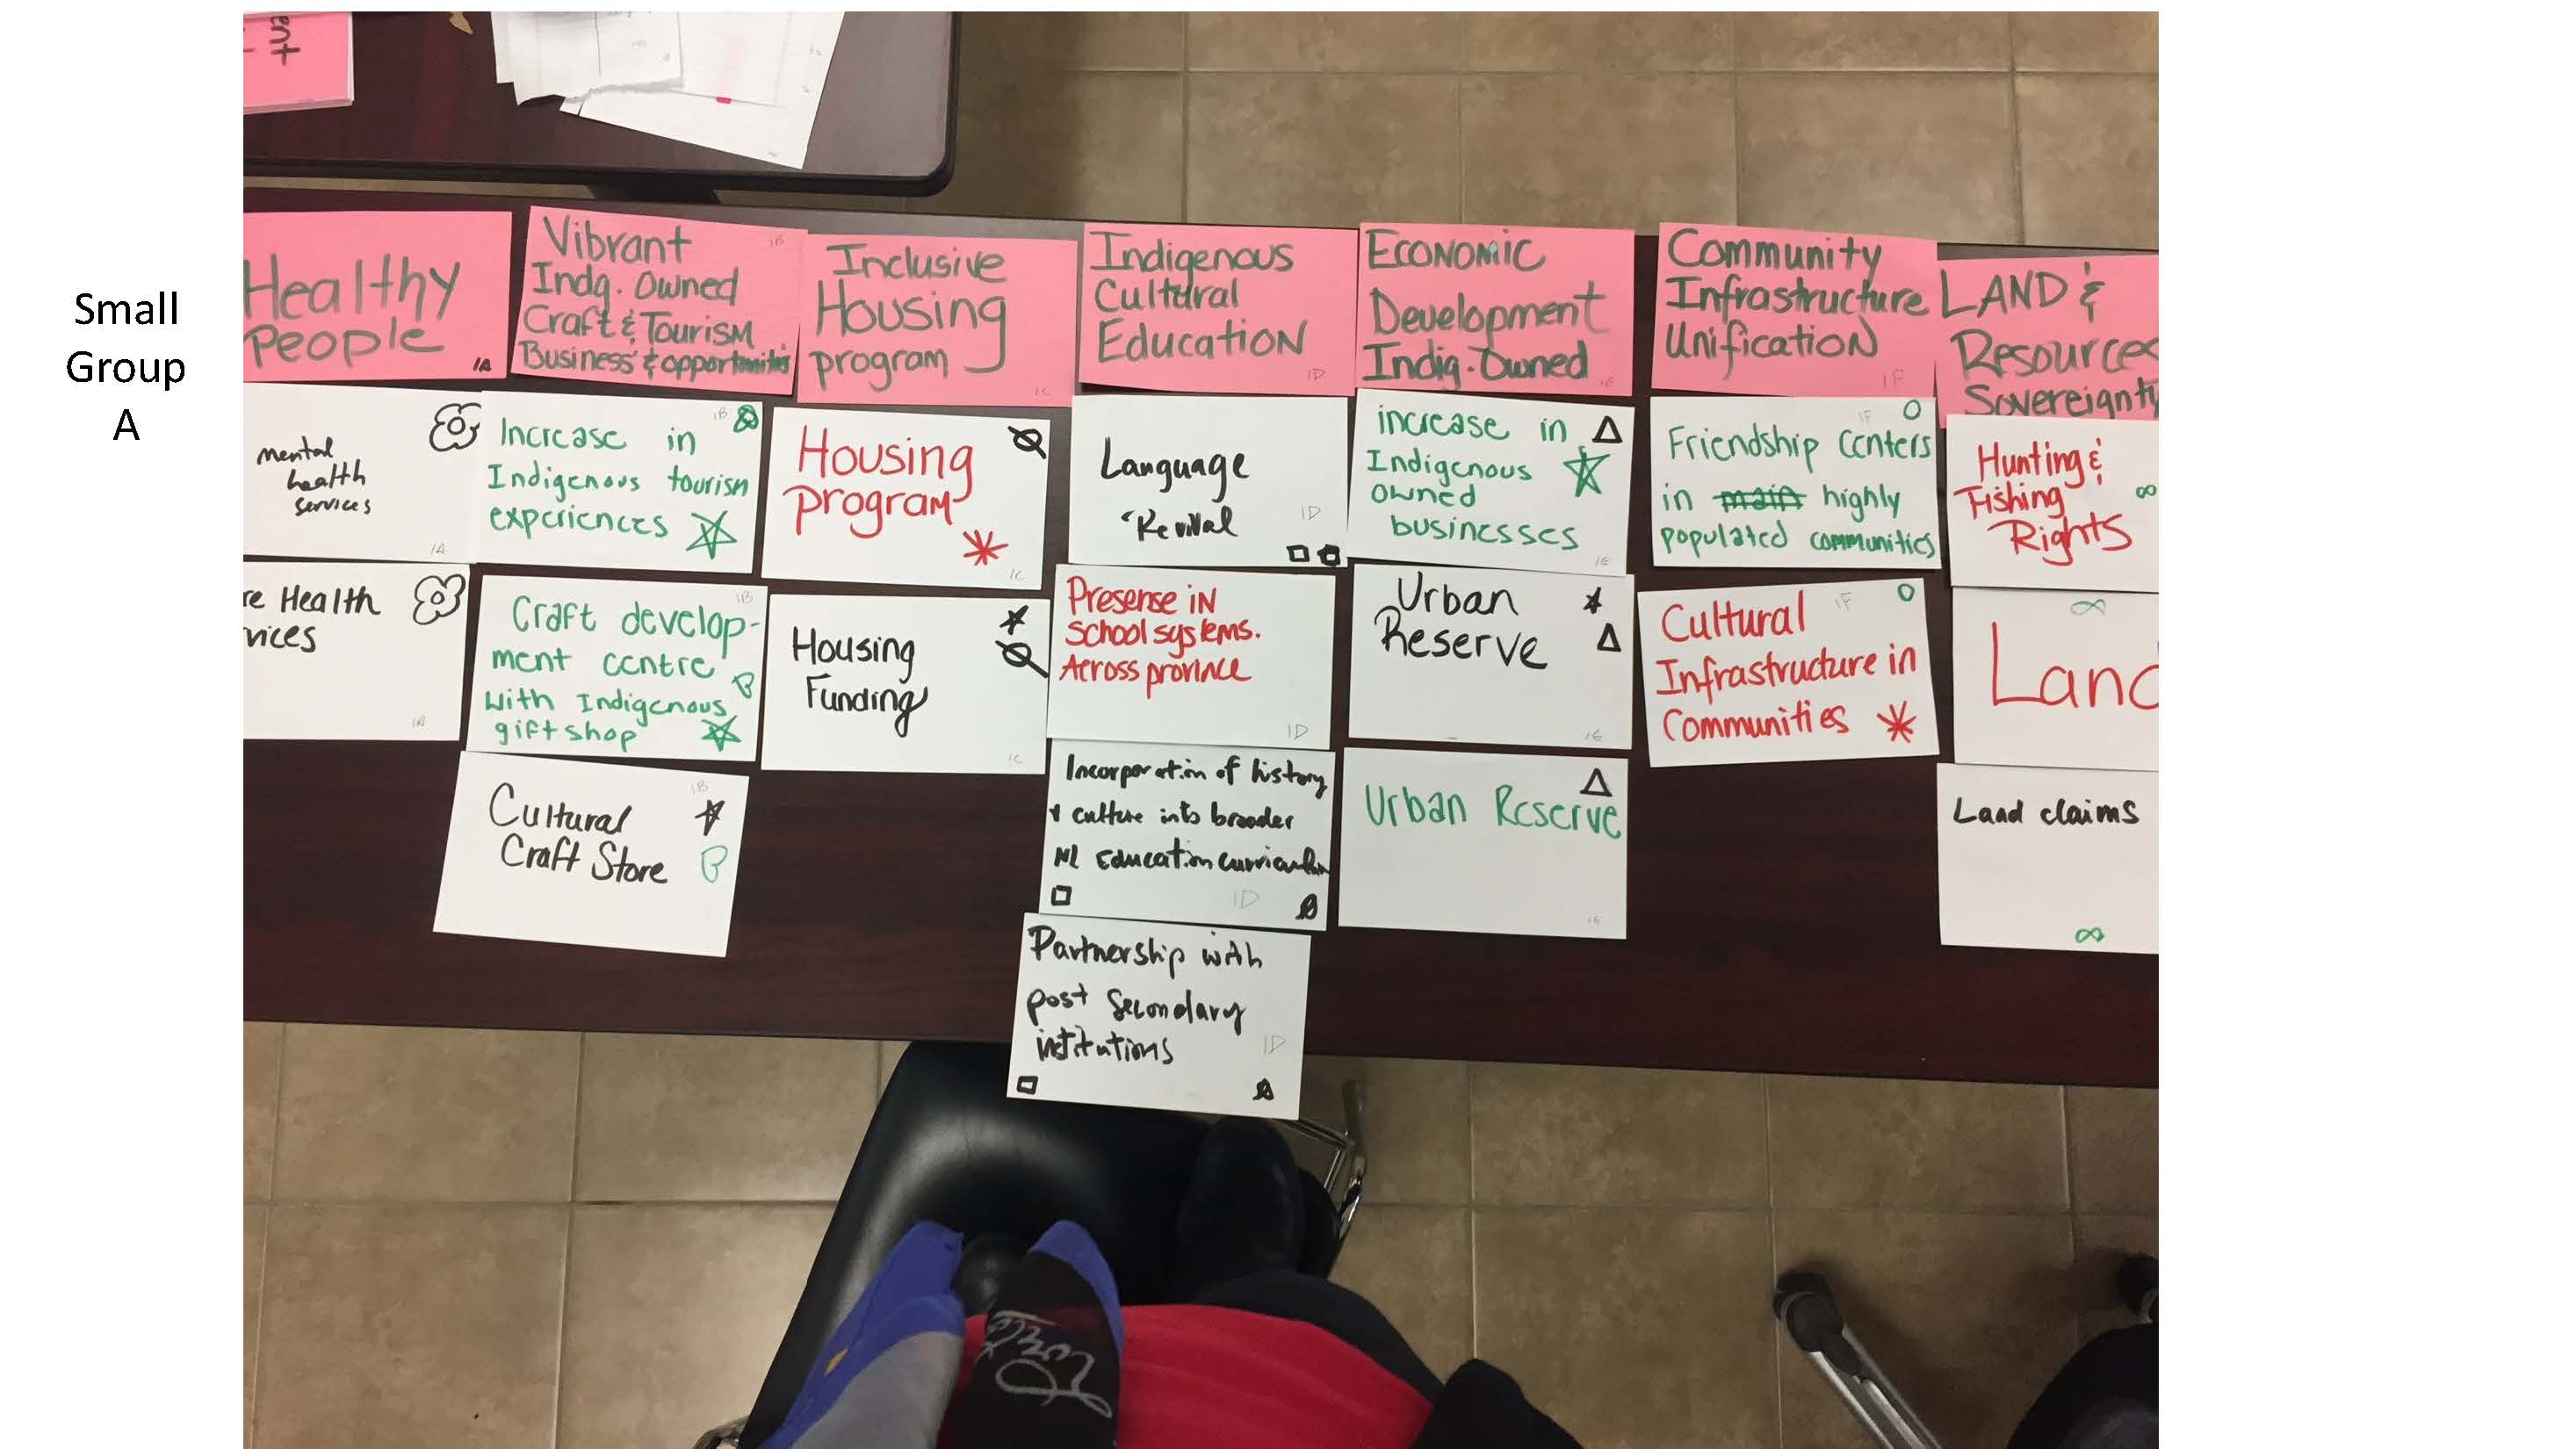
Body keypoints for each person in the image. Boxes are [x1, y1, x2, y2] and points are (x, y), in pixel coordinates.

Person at [763, 1118, 1581, 1448]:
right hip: (1321, 1408)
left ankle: (1220, 1289)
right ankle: (1235, 1280)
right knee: (1277, 1314)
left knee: (991, 1307)